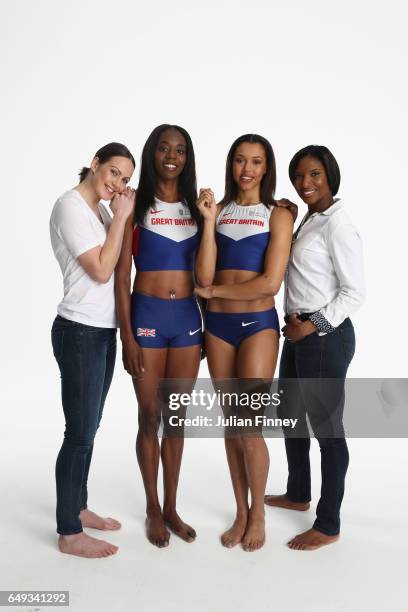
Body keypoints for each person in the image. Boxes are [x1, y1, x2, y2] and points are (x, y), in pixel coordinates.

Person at [194, 134, 293, 551]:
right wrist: (208, 221)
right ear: (231, 165)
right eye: (239, 160)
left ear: (266, 168)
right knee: (232, 427)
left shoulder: (279, 215)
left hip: (257, 327)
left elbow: (270, 284)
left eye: (255, 161)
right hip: (218, 329)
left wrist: (215, 293)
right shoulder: (217, 211)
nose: (246, 169)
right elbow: (202, 275)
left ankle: (259, 513)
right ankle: (239, 510)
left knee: (250, 428)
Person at [264, 144, 365, 551]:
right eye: (299, 176)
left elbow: (354, 293)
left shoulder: (338, 224)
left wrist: (313, 325)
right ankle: (298, 492)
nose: (306, 183)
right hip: (298, 332)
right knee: (290, 416)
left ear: (330, 176)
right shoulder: (312, 219)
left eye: (315, 175)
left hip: (324, 337)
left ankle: (328, 523)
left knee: (327, 431)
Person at [115, 124, 202, 548]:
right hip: (147, 316)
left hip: (186, 319)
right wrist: (127, 336)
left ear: (187, 158)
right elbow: (120, 275)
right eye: (164, 148)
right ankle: (152, 506)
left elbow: (207, 269)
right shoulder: (136, 205)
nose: (172, 155)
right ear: (152, 154)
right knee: (149, 416)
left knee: (178, 419)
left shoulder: (195, 207)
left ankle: (171, 506)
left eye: (180, 150)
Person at [50, 142, 136, 558]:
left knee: (90, 428)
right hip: (79, 330)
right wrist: (120, 218)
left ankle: (78, 507)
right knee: (78, 433)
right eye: (114, 172)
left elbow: (120, 264)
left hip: (102, 331)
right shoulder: (71, 207)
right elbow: (101, 270)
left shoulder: (100, 211)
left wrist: (119, 216)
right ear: (95, 163)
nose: (117, 183)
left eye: (124, 179)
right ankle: (68, 532)